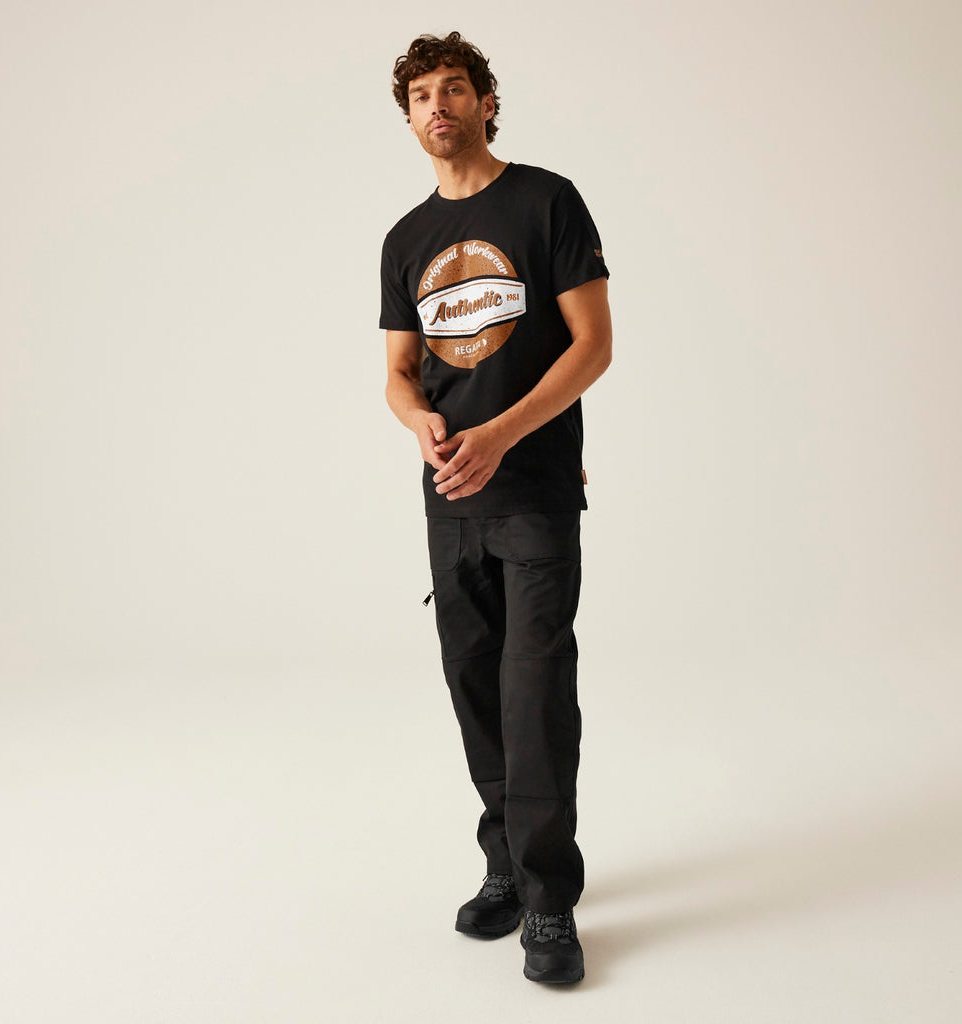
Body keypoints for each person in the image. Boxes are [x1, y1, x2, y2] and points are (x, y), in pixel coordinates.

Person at [380, 31, 612, 985]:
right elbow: (398, 373)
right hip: (450, 501)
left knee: (534, 692)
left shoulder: (547, 200)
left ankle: (551, 900)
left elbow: (593, 345)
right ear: (408, 119)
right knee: (475, 687)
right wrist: (420, 422)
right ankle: (507, 867)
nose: (438, 105)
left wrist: (501, 435)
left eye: (454, 88)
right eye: (420, 96)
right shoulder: (404, 240)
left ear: (485, 102)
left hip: (535, 494)